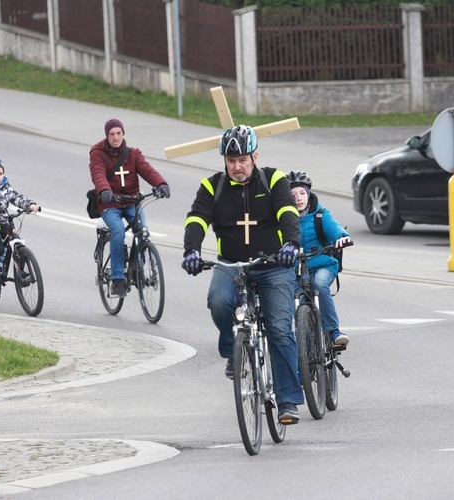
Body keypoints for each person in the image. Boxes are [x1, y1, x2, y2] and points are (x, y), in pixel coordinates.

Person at [181, 124, 304, 424]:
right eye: (231, 161)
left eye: (243, 160)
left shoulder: (274, 179)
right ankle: (231, 349)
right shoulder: (212, 186)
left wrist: (291, 243)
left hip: (274, 265)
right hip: (232, 264)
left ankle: (288, 400)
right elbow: (197, 218)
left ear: (255, 156)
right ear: (224, 161)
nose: (237, 166)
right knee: (219, 301)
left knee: (278, 328)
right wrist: (191, 250)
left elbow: (288, 212)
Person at [89, 118, 171, 297]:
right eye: (112, 134)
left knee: (143, 230)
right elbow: (98, 173)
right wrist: (104, 190)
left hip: (131, 201)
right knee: (118, 231)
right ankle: (118, 279)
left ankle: (138, 269)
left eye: (119, 133)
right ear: (107, 136)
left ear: (123, 134)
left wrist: (161, 183)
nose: (116, 137)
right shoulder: (98, 153)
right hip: (110, 203)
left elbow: (147, 169)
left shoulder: (133, 154)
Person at [287, 170, 351, 346]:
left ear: (308, 194)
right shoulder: (284, 218)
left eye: (302, 193)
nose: (298, 198)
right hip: (297, 269)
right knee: (291, 296)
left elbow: (335, 229)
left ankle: (333, 331)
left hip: (322, 263)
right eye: (293, 195)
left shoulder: (320, 214)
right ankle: (302, 359)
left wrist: (342, 237)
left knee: (319, 284)